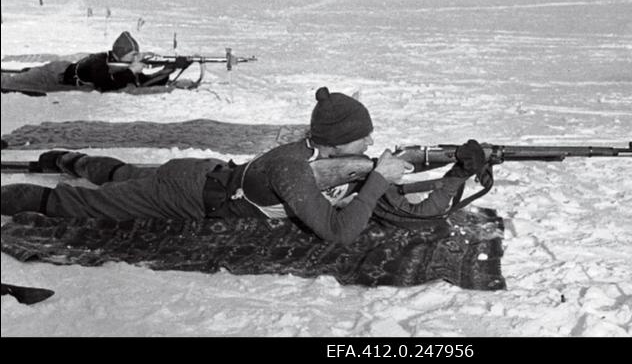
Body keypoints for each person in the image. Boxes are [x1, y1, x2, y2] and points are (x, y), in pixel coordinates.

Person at [1, 87, 487, 245]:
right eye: (365, 137)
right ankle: (30, 187)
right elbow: (340, 230)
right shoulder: (292, 168)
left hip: (208, 172)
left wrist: (458, 172)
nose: (373, 144)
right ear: (340, 142)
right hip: (187, 192)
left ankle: (67, 158)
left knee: (126, 175)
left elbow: (405, 207)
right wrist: (380, 178)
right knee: (82, 203)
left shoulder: (337, 163)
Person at [0, 31, 191, 94]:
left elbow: (141, 82)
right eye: (132, 54)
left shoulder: (119, 65)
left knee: (23, 76)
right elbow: (104, 84)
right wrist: (131, 71)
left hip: (60, 74)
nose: (135, 58)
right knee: (8, 83)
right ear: (120, 54)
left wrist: (167, 71)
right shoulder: (99, 61)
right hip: (53, 74)